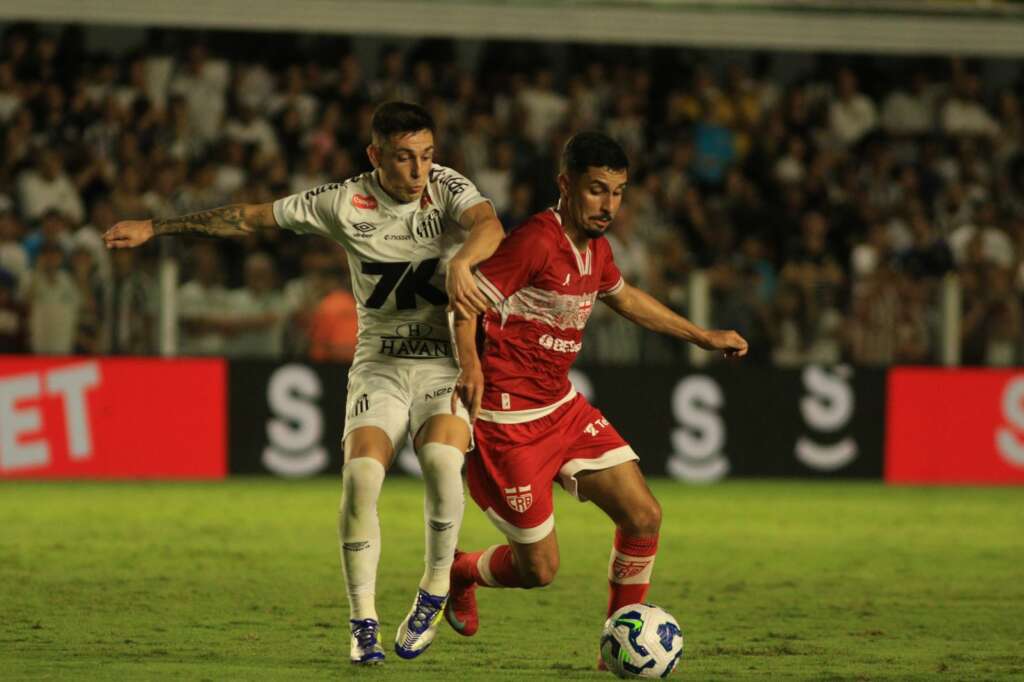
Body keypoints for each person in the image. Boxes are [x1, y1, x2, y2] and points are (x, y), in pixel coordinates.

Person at [103, 101, 504, 664]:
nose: (419, 170)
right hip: (380, 363)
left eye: (426, 155)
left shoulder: (446, 186)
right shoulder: (343, 201)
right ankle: (362, 622)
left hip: (444, 361)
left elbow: (490, 225)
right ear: (375, 156)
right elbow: (249, 218)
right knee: (361, 478)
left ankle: (435, 588)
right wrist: (156, 226)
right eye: (403, 158)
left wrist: (461, 263)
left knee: (441, 462)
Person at [446, 132, 747, 668]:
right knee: (539, 570)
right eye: (596, 190)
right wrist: (470, 364)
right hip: (508, 423)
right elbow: (464, 303)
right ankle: (462, 571)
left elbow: (625, 298)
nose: (609, 205)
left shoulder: (597, 249)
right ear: (565, 185)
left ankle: (616, 650)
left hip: (561, 408)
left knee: (643, 516)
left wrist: (702, 336)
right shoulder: (535, 242)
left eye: (618, 192)